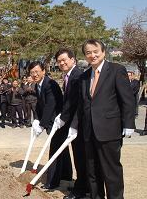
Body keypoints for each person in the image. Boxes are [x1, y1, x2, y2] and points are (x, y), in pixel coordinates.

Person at [70, 39, 135, 199]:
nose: (92, 55)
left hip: (109, 130)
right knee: (92, 172)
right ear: (85, 55)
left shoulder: (116, 70)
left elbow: (127, 99)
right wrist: (74, 126)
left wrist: (128, 123)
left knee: (111, 171)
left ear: (103, 52)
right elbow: (83, 105)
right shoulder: (85, 76)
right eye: (88, 53)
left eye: (95, 51)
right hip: (88, 131)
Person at [29, 61, 71, 189]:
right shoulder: (38, 85)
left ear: (43, 71)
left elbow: (50, 106)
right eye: (32, 73)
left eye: (37, 71)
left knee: (54, 150)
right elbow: (40, 105)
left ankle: (52, 181)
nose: (35, 74)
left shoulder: (49, 84)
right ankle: (66, 174)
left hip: (58, 122)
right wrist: (36, 119)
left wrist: (42, 125)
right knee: (62, 150)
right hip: (52, 122)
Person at [52, 48, 88, 199]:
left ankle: (81, 189)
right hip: (73, 122)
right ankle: (82, 184)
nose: (61, 63)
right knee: (79, 156)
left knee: (81, 157)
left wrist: (63, 118)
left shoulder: (77, 76)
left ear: (73, 59)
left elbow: (73, 102)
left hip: (79, 122)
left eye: (64, 60)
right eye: (59, 61)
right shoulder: (69, 76)